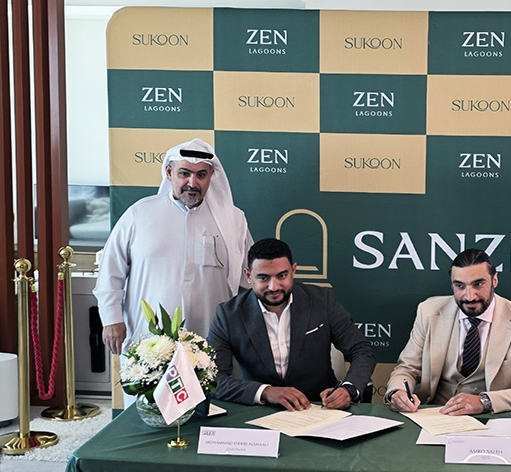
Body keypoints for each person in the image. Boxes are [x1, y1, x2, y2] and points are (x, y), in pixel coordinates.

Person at [94, 138, 253, 355]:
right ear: (169, 173)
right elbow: (110, 271)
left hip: (212, 339)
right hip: (149, 342)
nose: (192, 183)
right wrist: (111, 319)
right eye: (184, 173)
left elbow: (250, 280)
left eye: (201, 175)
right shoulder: (139, 214)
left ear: (212, 176)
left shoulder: (233, 220)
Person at [208, 238, 376, 411]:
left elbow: (361, 350)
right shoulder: (228, 315)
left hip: (319, 407)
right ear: (248, 276)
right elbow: (212, 379)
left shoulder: (322, 301)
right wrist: (265, 391)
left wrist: (348, 388)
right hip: (259, 411)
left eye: (282, 276)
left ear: (293, 270)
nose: (274, 287)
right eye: (263, 278)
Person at [386, 249, 511, 415]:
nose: (470, 296)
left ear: (494, 280)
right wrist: (397, 391)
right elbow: (407, 368)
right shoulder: (428, 312)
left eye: (478, 284)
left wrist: (485, 402)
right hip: (435, 415)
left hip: (493, 418)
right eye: (460, 286)